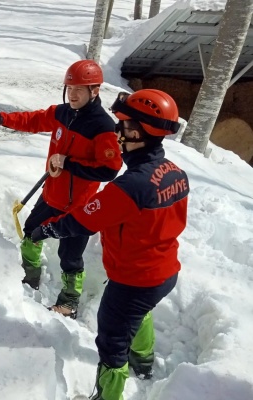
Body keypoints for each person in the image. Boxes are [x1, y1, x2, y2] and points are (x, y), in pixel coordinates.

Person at [30, 89, 188, 400]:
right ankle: (142, 362)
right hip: (165, 272)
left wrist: (45, 229)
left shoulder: (130, 186)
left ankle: (108, 395)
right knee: (139, 314)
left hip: (133, 279)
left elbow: (81, 221)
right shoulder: (174, 172)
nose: (116, 133)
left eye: (123, 127)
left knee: (112, 342)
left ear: (139, 132)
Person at [0, 60, 122, 318]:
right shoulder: (63, 113)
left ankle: (69, 302)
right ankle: (28, 278)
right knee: (30, 236)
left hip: (79, 208)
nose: (73, 94)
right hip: (51, 195)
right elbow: (34, 119)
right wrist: (1, 118)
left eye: (80, 89)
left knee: (71, 258)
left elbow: (109, 169)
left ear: (95, 91)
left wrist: (69, 163)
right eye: (70, 88)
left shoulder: (103, 127)